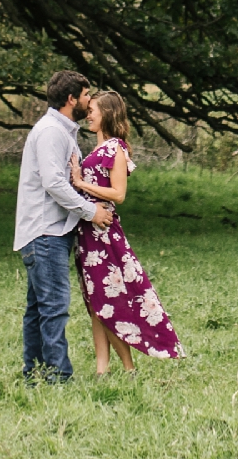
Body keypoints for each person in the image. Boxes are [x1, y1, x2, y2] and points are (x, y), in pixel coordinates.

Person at [69, 90, 185, 371]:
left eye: (94, 109)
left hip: (103, 235)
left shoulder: (115, 149)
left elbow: (118, 194)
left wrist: (81, 183)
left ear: (107, 113)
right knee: (95, 306)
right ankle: (101, 370)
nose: (89, 114)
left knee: (106, 303)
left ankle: (129, 368)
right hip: (87, 235)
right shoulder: (96, 150)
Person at [15, 70, 106, 382]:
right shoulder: (52, 132)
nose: (88, 100)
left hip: (46, 231)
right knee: (54, 306)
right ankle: (57, 376)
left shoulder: (60, 130)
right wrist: (89, 211)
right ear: (71, 99)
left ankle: (35, 372)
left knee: (38, 307)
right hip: (45, 232)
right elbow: (54, 182)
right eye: (85, 95)